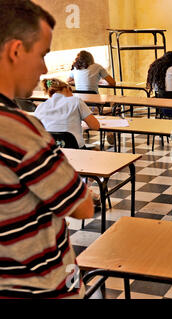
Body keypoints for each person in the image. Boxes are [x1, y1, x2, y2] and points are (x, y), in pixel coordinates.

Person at [0, 0, 94, 298]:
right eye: (42, 55)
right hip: (36, 285)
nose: (43, 68)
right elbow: (82, 206)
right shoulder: (18, 131)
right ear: (16, 51)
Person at [34, 78, 100, 148]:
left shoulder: (40, 107)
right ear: (67, 88)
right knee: (96, 150)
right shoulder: (76, 101)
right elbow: (95, 126)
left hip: (51, 150)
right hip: (75, 149)